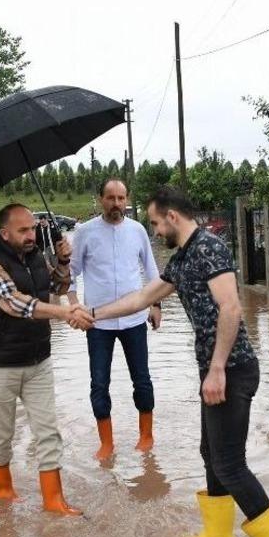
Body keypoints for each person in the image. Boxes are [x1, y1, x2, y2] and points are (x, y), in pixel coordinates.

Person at [90, 186, 269, 537]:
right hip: (216, 370)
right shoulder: (184, 256)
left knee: (230, 464)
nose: (156, 231)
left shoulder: (208, 247)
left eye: (157, 223)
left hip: (230, 370)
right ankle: (218, 536)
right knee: (212, 456)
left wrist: (216, 370)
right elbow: (142, 298)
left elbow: (231, 307)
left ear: (172, 217)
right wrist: (92, 313)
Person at [0, 203, 92, 516]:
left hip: (38, 359)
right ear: (4, 232)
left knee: (48, 431)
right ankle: (5, 490)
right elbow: (14, 303)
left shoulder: (35, 256)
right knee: (2, 433)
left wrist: (64, 261)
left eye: (32, 228)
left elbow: (58, 286)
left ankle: (53, 500)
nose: (30, 235)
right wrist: (64, 313)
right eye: (22, 230)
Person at [67, 178, 162, 460]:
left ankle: (146, 436)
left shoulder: (138, 230)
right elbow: (70, 274)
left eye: (121, 198)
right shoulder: (84, 232)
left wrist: (156, 304)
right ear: (100, 200)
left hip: (135, 319)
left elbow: (152, 270)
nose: (116, 204)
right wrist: (74, 306)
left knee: (142, 380)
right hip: (97, 323)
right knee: (99, 383)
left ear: (127, 199)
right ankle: (106, 443)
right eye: (111, 198)